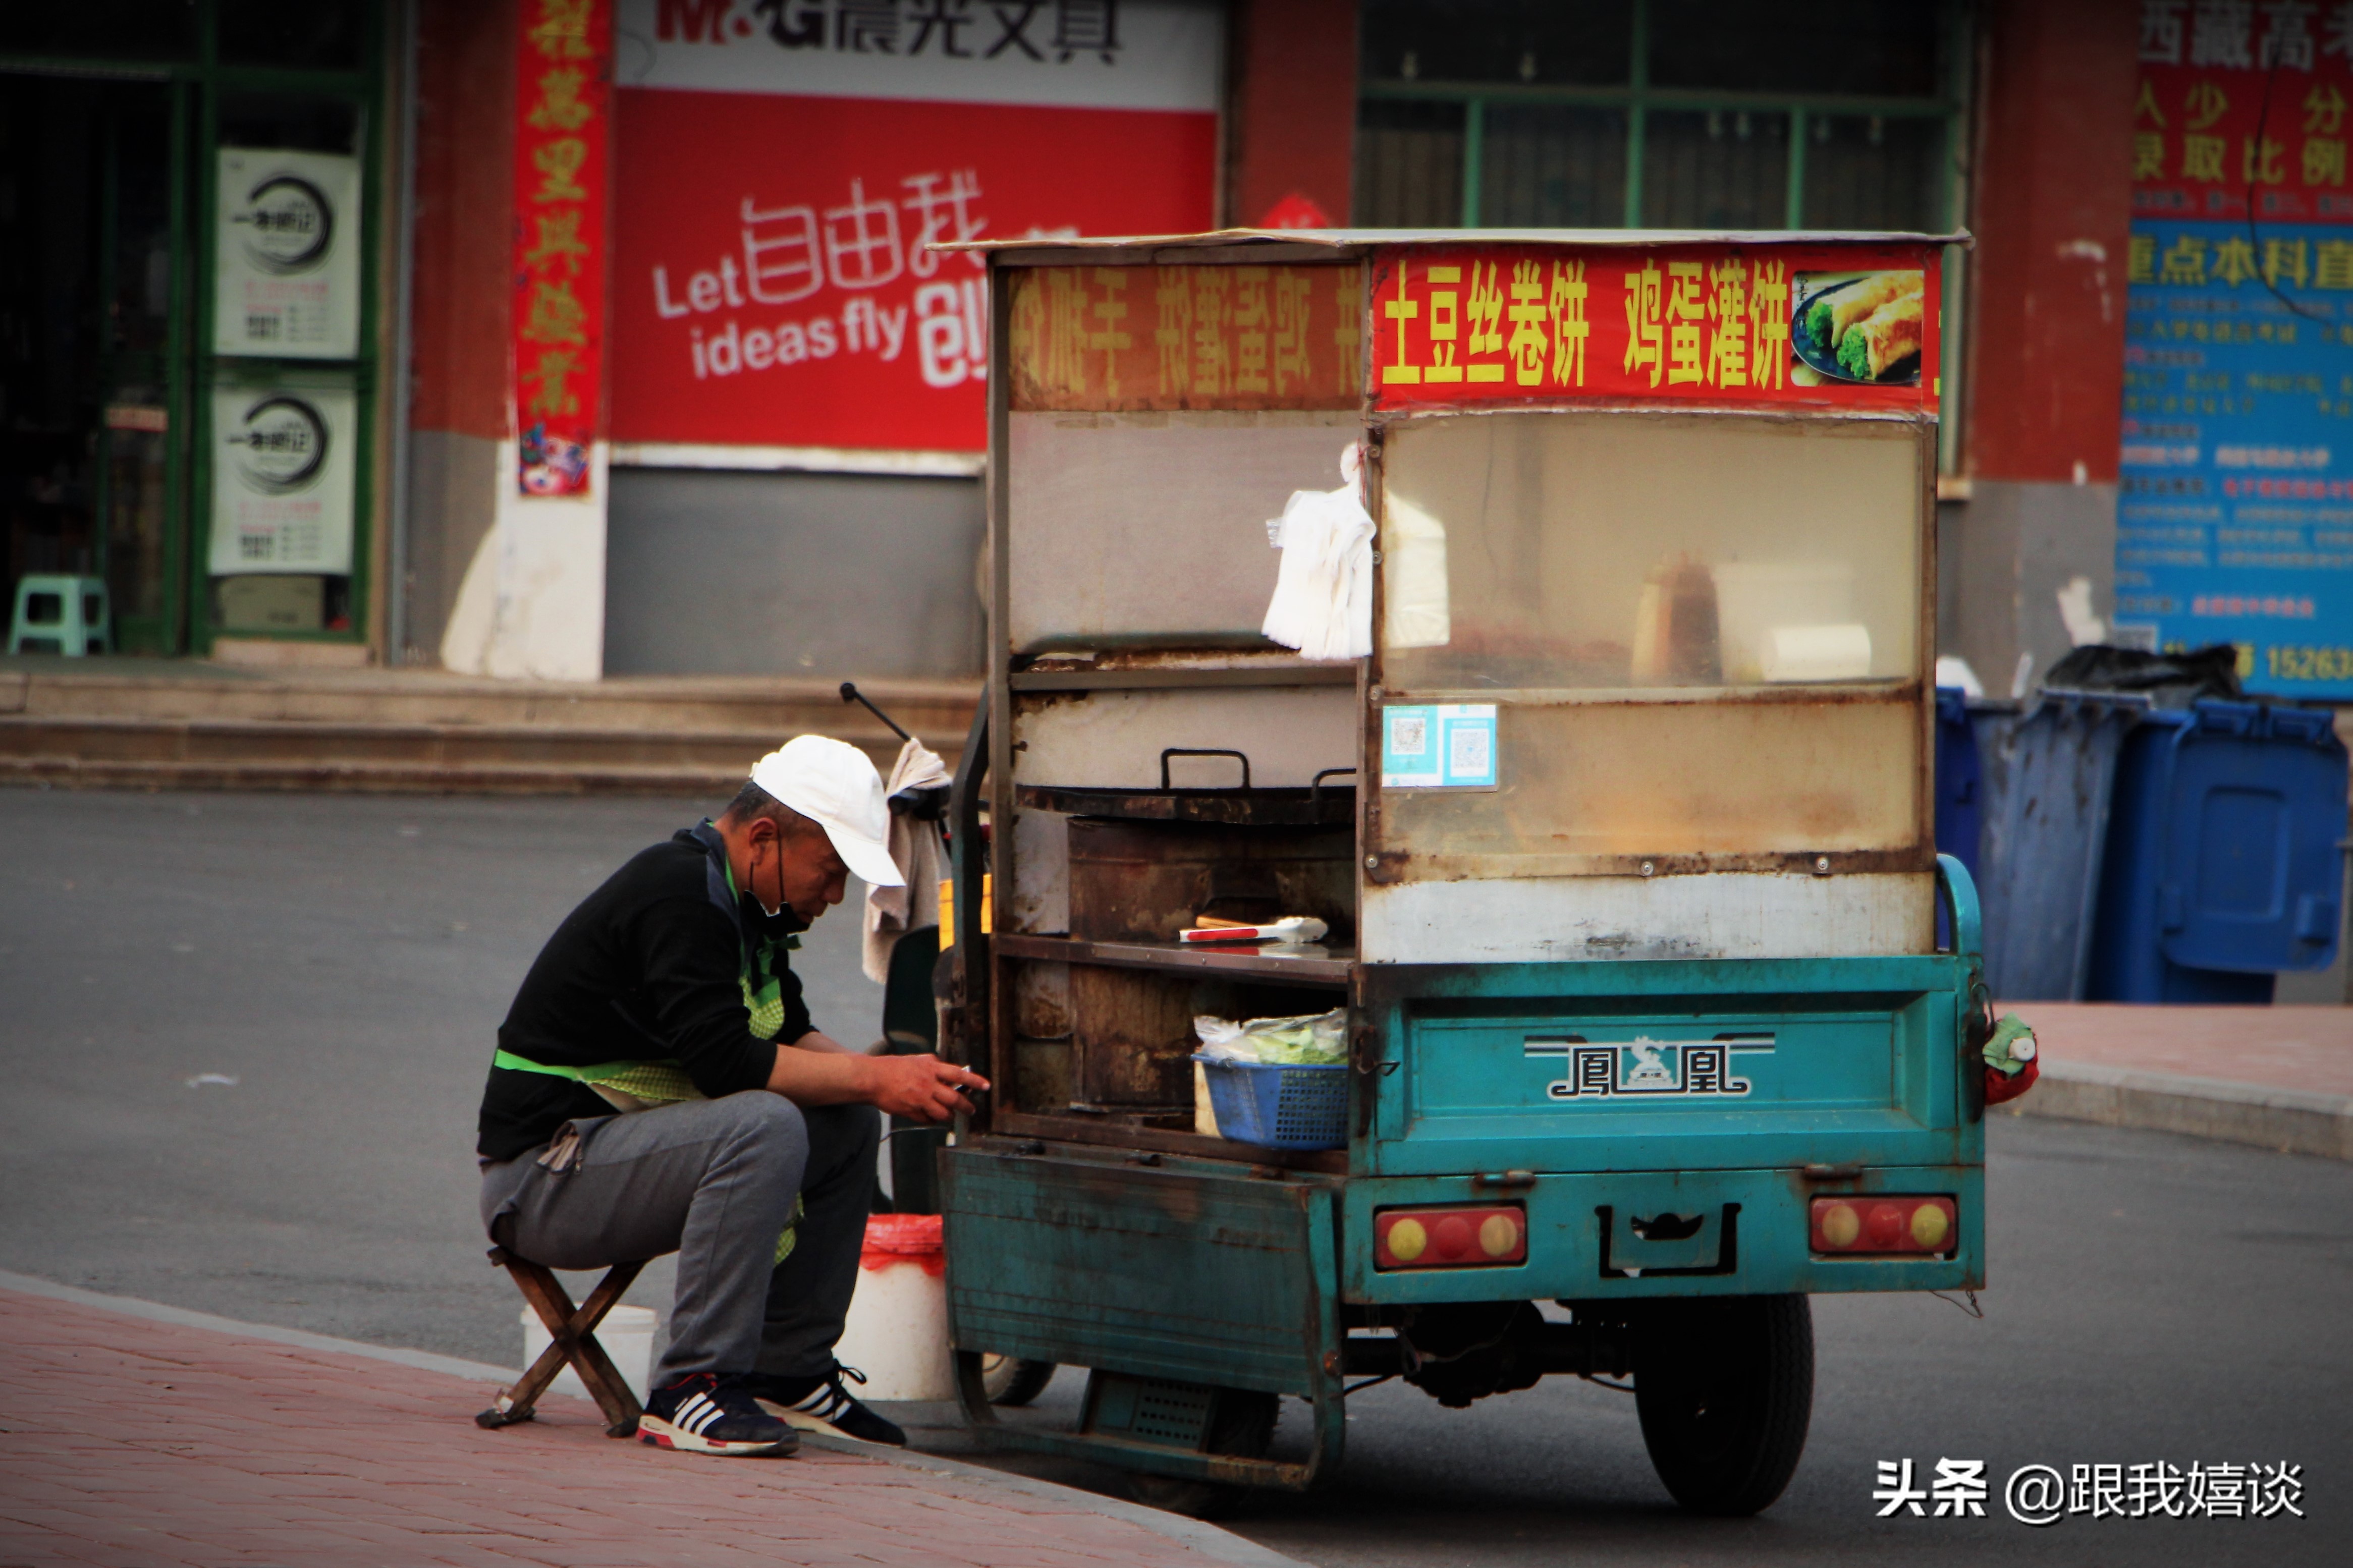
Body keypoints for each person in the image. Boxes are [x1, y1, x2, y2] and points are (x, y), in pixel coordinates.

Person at [474, 735, 989, 1458]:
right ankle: (690, 1388)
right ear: (763, 838)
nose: (835, 896)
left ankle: (789, 1370)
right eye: (831, 870)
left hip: (612, 1162)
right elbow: (727, 1064)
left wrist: (904, 1084)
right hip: (541, 1182)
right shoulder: (677, 892)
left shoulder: (752, 910)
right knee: (764, 1124)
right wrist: (877, 1075)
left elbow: (795, 1037)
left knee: (841, 1119)